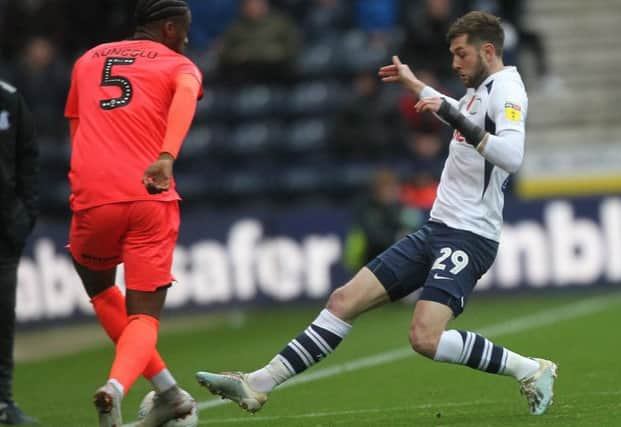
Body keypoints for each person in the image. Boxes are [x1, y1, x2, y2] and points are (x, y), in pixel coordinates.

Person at [196, 11, 558, 417]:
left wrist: (451, 112)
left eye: (461, 54)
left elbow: (511, 155)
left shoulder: (508, 88)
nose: (455, 63)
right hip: (438, 229)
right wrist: (417, 85)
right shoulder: (481, 89)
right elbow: (460, 111)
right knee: (342, 300)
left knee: (425, 337)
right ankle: (256, 384)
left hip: (469, 236)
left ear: (487, 50)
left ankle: (531, 369)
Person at [63, 1, 202, 425]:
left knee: (100, 287)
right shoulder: (179, 63)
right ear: (170, 27)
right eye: (185, 30)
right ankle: (116, 387)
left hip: (93, 196)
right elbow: (184, 98)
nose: (187, 39)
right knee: (144, 314)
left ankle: (168, 393)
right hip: (149, 193)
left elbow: (76, 123)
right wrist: (165, 155)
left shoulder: (87, 60)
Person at [0, 80, 38, 425]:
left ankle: (3, 402)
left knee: (2, 318)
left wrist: (26, 214)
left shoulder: (9, 98)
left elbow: (28, 157)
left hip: (4, 231)